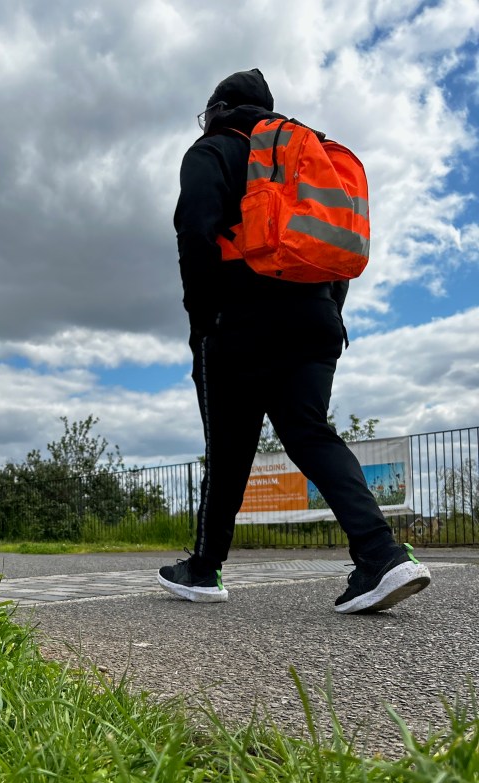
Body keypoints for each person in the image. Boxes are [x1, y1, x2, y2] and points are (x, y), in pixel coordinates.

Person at [158, 68, 431, 613]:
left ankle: (204, 570)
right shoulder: (308, 157)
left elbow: (195, 228)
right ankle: (381, 554)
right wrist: (325, 313)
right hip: (316, 318)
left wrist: (202, 317)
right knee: (310, 433)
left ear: (218, 108)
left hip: (237, 321)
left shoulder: (214, 150)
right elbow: (334, 249)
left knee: (230, 449)